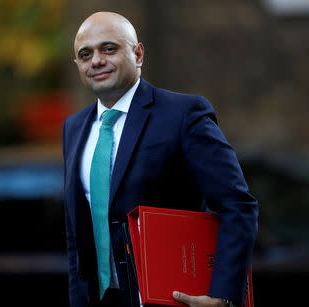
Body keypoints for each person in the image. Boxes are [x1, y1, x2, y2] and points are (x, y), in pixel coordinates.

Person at [62, 11, 258, 307]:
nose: (97, 61)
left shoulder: (183, 115)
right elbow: (76, 231)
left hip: (171, 299)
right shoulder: (73, 128)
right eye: (85, 54)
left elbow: (238, 206)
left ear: (138, 54)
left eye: (109, 49)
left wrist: (223, 296)